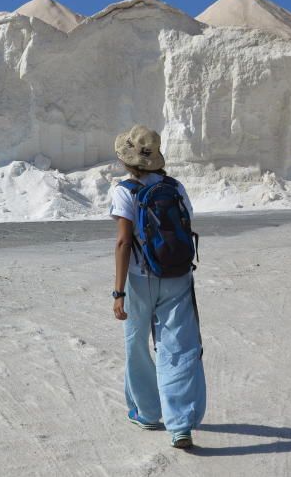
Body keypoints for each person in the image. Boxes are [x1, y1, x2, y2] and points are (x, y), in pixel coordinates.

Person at [109, 124, 206, 449]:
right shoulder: (175, 187)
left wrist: (118, 292)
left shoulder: (125, 191)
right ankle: (180, 426)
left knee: (137, 346)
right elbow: (186, 224)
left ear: (127, 159)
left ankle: (147, 413)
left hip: (139, 280)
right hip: (177, 276)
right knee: (177, 348)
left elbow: (124, 242)